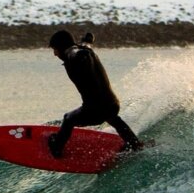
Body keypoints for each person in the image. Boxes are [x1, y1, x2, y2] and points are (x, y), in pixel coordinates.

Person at [46, 28, 143, 157]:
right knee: (113, 118)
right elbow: (86, 44)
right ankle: (134, 143)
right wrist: (87, 40)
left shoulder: (73, 53)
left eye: (55, 49)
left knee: (68, 119)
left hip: (95, 111)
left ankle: (56, 149)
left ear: (62, 47)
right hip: (113, 105)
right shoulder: (84, 49)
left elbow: (76, 52)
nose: (55, 54)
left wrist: (79, 56)